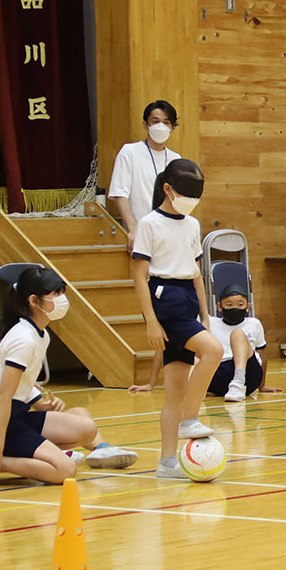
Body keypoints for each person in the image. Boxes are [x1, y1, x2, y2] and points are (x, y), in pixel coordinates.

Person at [0, 269, 140, 487]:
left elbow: (21, 387)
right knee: (64, 470)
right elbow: (3, 396)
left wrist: (41, 404)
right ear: (34, 301)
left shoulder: (41, 335)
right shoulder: (23, 339)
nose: (62, 299)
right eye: (55, 294)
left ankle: (16, 453)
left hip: (16, 413)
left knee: (86, 429)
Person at [131, 158, 224, 479]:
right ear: (168, 189)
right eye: (187, 194)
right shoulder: (149, 224)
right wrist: (151, 322)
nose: (192, 202)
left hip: (186, 298)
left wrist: (205, 314)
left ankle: (166, 462)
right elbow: (139, 276)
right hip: (164, 298)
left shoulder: (192, 224)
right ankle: (190, 418)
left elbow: (197, 273)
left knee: (174, 389)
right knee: (213, 351)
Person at [0, 314, 138, 469]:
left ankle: (101, 448)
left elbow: (40, 408)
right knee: (63, 469)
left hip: (17, 424)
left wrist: (52, 405)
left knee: (80, 412)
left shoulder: (20, 371)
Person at [109, 100, 182, 393]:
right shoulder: (130, 152)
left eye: (165, 121)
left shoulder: (176, 160)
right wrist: (133, 229)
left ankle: (165, 374)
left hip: (170, 237)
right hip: (143, 233)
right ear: (145, 123)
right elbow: (120, 193)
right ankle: (155, 376)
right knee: (151, 301)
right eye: (154, 120)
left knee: (169, 306)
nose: (160, 126)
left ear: (174, 126)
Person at [207, 284, 280, 402]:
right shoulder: (210, 322)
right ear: (220, 307)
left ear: (247, 307)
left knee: (237, 334)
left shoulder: (254, 323)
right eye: (229, 304)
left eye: (240, 304)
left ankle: (238, 381)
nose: (235, 308)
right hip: (219, 373)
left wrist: (262, 386)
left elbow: (262, 355)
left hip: (248, 375)